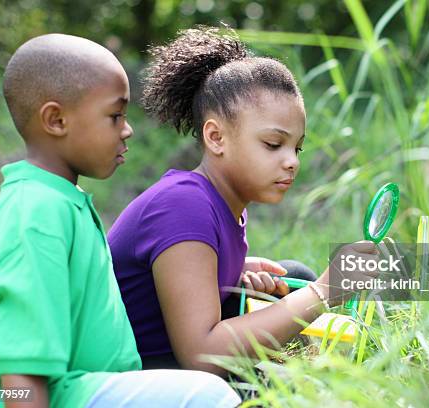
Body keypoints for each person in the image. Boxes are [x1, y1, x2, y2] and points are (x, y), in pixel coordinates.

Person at [0, 33, 240, 408]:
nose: (127, 129)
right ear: (56, 119)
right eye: (115, 116)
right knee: (207, 395)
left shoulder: (65, 200)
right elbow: (20, 355)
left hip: (81, 386)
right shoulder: (35, 210)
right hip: (36, 395)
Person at [108, 26, 374, 375]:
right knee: (307, 289)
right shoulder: (184, 206)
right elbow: (202, 356)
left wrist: (228, 271)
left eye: (297, 147)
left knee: (291, 276)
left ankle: (315, 370)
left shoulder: (220, 205)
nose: (292, 160)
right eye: (272, 144)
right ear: (216, 137)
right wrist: (324, 291)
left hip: (174, 363)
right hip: (140, 380)